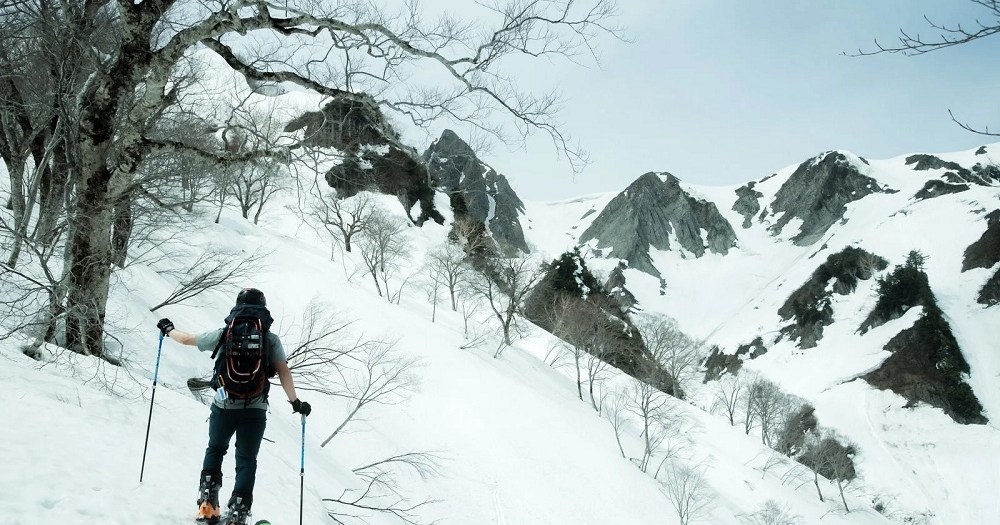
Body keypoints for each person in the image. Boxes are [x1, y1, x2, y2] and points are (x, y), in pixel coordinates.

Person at [157, 288, 311, 525]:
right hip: (255, 409)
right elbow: (283, 371)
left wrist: (169, 330)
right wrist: (295, 402)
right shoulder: (269, 339)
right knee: (247, 459)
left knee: (216, 449)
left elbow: (187, 339)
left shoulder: (224, 334)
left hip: (223, 405)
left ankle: (207, 505)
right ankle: (238, 513)